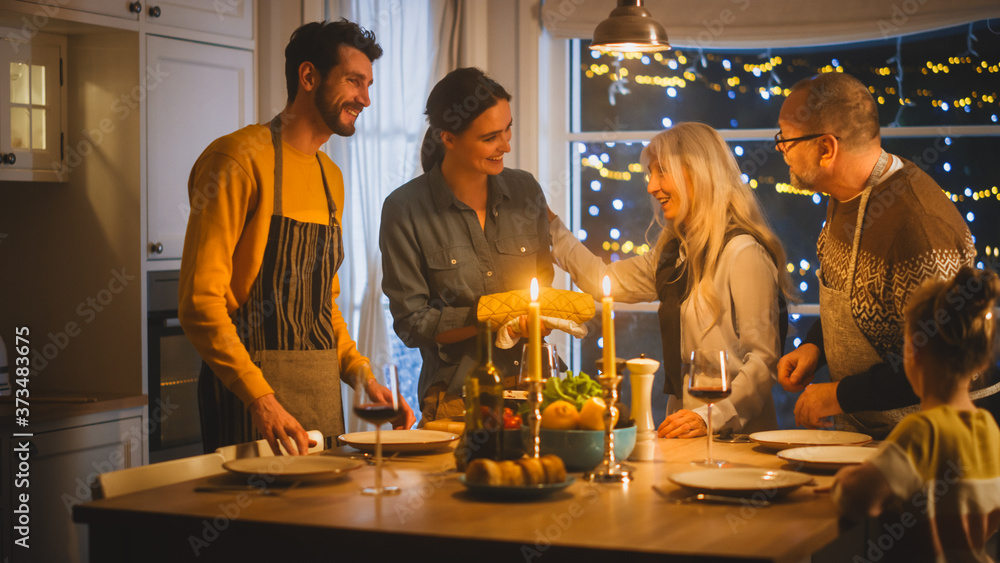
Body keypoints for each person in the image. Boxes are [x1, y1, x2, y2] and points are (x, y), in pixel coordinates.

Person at [179, 19, 415, 457]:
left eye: (368, 85)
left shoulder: (331, 177)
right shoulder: (236, 160)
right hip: (250, 404)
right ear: (309, 77)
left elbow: (322, 306)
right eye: (353, 81)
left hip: (321, 398)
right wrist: (260, 398)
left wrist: (363, 378)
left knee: (322, 522)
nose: (365, 98)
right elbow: (199, 303)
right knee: (258, 524)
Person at [774, 72, 992, 439]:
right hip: (873, 434)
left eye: (786, 140)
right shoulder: (844, 194)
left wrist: (839, 395)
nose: (781, 150)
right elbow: (861, 301)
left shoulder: (917, 227)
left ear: (827, 149)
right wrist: (815, 346)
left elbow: (938, 359)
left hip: (938, 441)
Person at [549, 122, 795, 438]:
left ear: (699, 174)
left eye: (661, 172)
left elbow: (763, 362)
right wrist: (550, 224)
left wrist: (711, 417)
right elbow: (603, 279)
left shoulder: (742, 251)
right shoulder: (673, 255)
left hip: (735, 438)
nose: (651, 186)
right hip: (682, 430)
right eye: (650, 174)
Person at [380, 67, 554, 422]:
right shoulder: (405, 209)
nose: (505, 145)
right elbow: (412, 324)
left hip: (534, 392)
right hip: (456, 402)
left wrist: (540, 317)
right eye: (490, 137)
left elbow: (543, 285)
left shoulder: (525, 191)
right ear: (449, 138)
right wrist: (491, 315)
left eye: (508, 130)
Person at [832, 266, 1000, 562]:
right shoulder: (988, 428)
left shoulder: (923, 432)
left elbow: (858, 498)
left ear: (914, 354)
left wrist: (843, 477)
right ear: (979, 361)